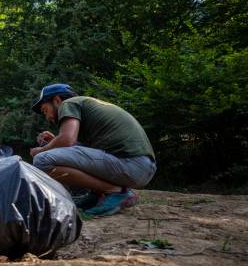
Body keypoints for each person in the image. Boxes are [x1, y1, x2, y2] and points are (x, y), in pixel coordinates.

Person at [29, 83, 156, 217]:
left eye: (45, 110)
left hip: (131, 164)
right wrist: (55, 141)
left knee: (42, 160)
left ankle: (116, 192)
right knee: (56, 155)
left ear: (57, 100)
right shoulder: (87, 107)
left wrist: (41, 149)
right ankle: (98, 195)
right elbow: (80, 150)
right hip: (141, 167)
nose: (47, 117)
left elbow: (67, 139)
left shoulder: (69, 104)